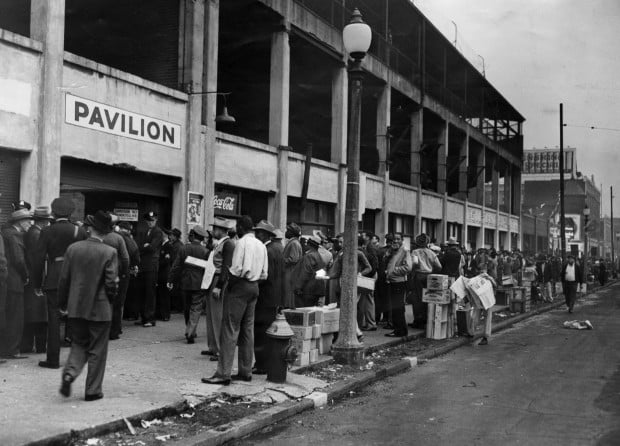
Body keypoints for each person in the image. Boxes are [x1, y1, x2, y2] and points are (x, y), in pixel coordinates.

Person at [58, 211, 118, 401]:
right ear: (105, 232)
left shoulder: (73, 249)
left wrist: (62, 303)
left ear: (90, 229)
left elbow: (64, 280)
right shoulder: (109, 252)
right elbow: (111, 283)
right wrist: (111, 300)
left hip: (76, 307)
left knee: (79, 344)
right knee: (97, 350)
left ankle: (70, 374)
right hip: (100, 309)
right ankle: (92, 391)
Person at [202, 215, 267, 386]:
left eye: (237, 226)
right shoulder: (261, 245)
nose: (235, 229)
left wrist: (230, 285)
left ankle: (223, 373)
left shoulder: (242, 243)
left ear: (241, 228)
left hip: (239, 286)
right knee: (247, 329)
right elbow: (264, 273)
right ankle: (245, 371)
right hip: (254, 287)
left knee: (229, 328)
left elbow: (236, 268)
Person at [34, 196, 88, 369]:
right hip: (76, 278)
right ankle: (77, 359)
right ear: (71, 212)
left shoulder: (47, 231)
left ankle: (53, 360)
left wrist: (37, 283)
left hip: (55, 278)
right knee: (76, 318)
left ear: (54, 212)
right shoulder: (80, 231)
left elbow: (38, 259)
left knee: (54, 320)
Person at [201, 217, 236, 360]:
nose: (213, 231)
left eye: (215, 228)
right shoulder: (220, 243)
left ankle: (219, 350)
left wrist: (219, 286)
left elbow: (226, 268)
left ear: (222, 231)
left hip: (218, 280)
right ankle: (213, 346)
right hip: (212, 278)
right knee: (210, 315)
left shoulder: (228, 244)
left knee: (217, 317)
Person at [168, 226, 209, 344]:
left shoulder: (183, 249)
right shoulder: (206, 252)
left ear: (193, 236)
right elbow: (207, 270)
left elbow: (176, 266)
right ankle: (191, 331)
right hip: (199, 284)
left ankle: (190, 329)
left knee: (187, 307)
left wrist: (170, 279)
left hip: (185, 282)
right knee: (195, 308)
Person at [21, 206, 53, 354]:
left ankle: (29, 345)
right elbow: (37, 260)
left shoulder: (33, 232)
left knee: (33, 314)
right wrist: (39, 283)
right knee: (39, 315)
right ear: (45, 221)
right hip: (36, 279)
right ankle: (39, 346)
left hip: (33, 278)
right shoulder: (36, 235)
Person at [0, 209, 32, 359]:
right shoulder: (14, 235)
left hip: (6, 281)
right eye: (27, 220)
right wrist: (26, 275)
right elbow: (19, 260)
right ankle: (12, 350)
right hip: (14, 280)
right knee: (15, 317)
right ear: (19, 222)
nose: (29, 223)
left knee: (6, 314)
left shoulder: (5, 233)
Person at [253, 220, 283, 374]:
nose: (256, 235)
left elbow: (265, 277)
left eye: (258, 232)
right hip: (274, 297)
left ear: (265, 234)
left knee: (260, 333)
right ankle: (266, 362)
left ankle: (261, 365)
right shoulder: (278, 248)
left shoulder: (268, 251)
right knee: (268, 332)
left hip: (265, 298)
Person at [136, 211, 163, 327]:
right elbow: (140, 246)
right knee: (142, 292)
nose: (150, 222)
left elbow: (152, 247)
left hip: (151, 266)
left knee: (150, 293)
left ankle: (150, 318)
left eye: (152, 220)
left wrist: (146, 246)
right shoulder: (146, 231)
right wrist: (145, 246)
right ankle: (144, 317)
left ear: (156, 220)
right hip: (144, 265)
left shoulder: (158, 232)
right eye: (148, 220)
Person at [410, 233, 442, 330]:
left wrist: (415, 269)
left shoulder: (415, 252)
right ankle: (426, 320)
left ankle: (418, 321)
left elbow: (414, 263)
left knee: (417, 299)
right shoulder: (431, 252)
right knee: (428, 298)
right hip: (429, 277)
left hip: (418, 276)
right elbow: (439, 266)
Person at [384, 233, 412, 337]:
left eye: (398, 239)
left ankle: (399, 331)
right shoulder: (393, 251)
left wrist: (393, 271)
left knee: (398, 308)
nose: (395, 241)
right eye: (394, 239)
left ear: (402, 240)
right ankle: (400, 330)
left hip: (399, 282)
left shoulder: (404, 251)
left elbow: (408, 267)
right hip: (393, 282)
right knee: (396, 308)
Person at [293, 235, 328, 308]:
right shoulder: (318, 255)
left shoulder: (309, 256)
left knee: (305, 312)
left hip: (308, 291)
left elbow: (305, 273)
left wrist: (298, 287)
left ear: (309, 245)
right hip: (315, 290)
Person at [117, 222, 140, 327]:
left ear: (120, 228)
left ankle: (112, 325)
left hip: (116, 269)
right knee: (121, 300)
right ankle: (118, 325)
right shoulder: (132, 241)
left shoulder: (117, 237)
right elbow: (136, 257)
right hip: (125, 273)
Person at [358, 233, 378, 331]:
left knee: (368, 300)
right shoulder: (367, 249)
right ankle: (369, 323)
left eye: (364, 235)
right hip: (368, 276)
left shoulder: (368, 249)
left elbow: (373, 265)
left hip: (367, 276)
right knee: (366, 300)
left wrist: (367, 277)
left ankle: (371, 323)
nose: (363, 237)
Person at [282, 223, 303, 308]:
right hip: (291, 272)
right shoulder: (294, 242)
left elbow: (294, 259)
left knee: (289, 295)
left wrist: (282, 260)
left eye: (288, 230)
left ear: (292, 233)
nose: (286, 232)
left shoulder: (294, 243)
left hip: (290, 273)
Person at [157, 229, 173, 321]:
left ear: (165, 235)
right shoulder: (162, 245)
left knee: (165, 295)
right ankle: (160, 313)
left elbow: (167, 260)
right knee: (160, 293)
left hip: (165, 273)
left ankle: (166, 314)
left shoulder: (168, 246)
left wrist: (157, 264)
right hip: (160, 273)